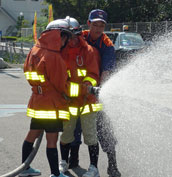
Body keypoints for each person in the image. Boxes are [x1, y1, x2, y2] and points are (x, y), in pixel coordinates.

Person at [19, 19, 76, 177]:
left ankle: (24, 168)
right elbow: (61, 85)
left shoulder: (34, 50)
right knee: (52, 140)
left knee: (32, 134)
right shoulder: (53, 56)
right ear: (58, 35)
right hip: (51, 104)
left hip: (37, 100)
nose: (65, 41)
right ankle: (55, 174)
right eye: (64, 37)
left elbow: (27, 71)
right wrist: (79, 90)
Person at [70, 9, 121, 177]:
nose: (98, 28)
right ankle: (73, 159)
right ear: (88, 23)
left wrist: (99, 90)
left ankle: (112, 165)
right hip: (76, 90)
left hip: (95, 92)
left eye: (101, 25)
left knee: (103, 129)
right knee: (74, 126)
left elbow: (106, 71)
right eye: (95, 24)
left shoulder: (107, 45)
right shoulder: (80, 37)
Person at [59, 17, 102, 177]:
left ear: (79, 34)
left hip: (88, 102)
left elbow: (93, 75)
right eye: (68, 36)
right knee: (66, 134)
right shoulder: (60, 53)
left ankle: (93, 168)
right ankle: (63, 163)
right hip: (68, 101)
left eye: (74, 35)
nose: (72, 39)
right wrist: (75, 90)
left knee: (91, 135)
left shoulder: (89, 51)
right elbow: (59, 79)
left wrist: (87, 85)